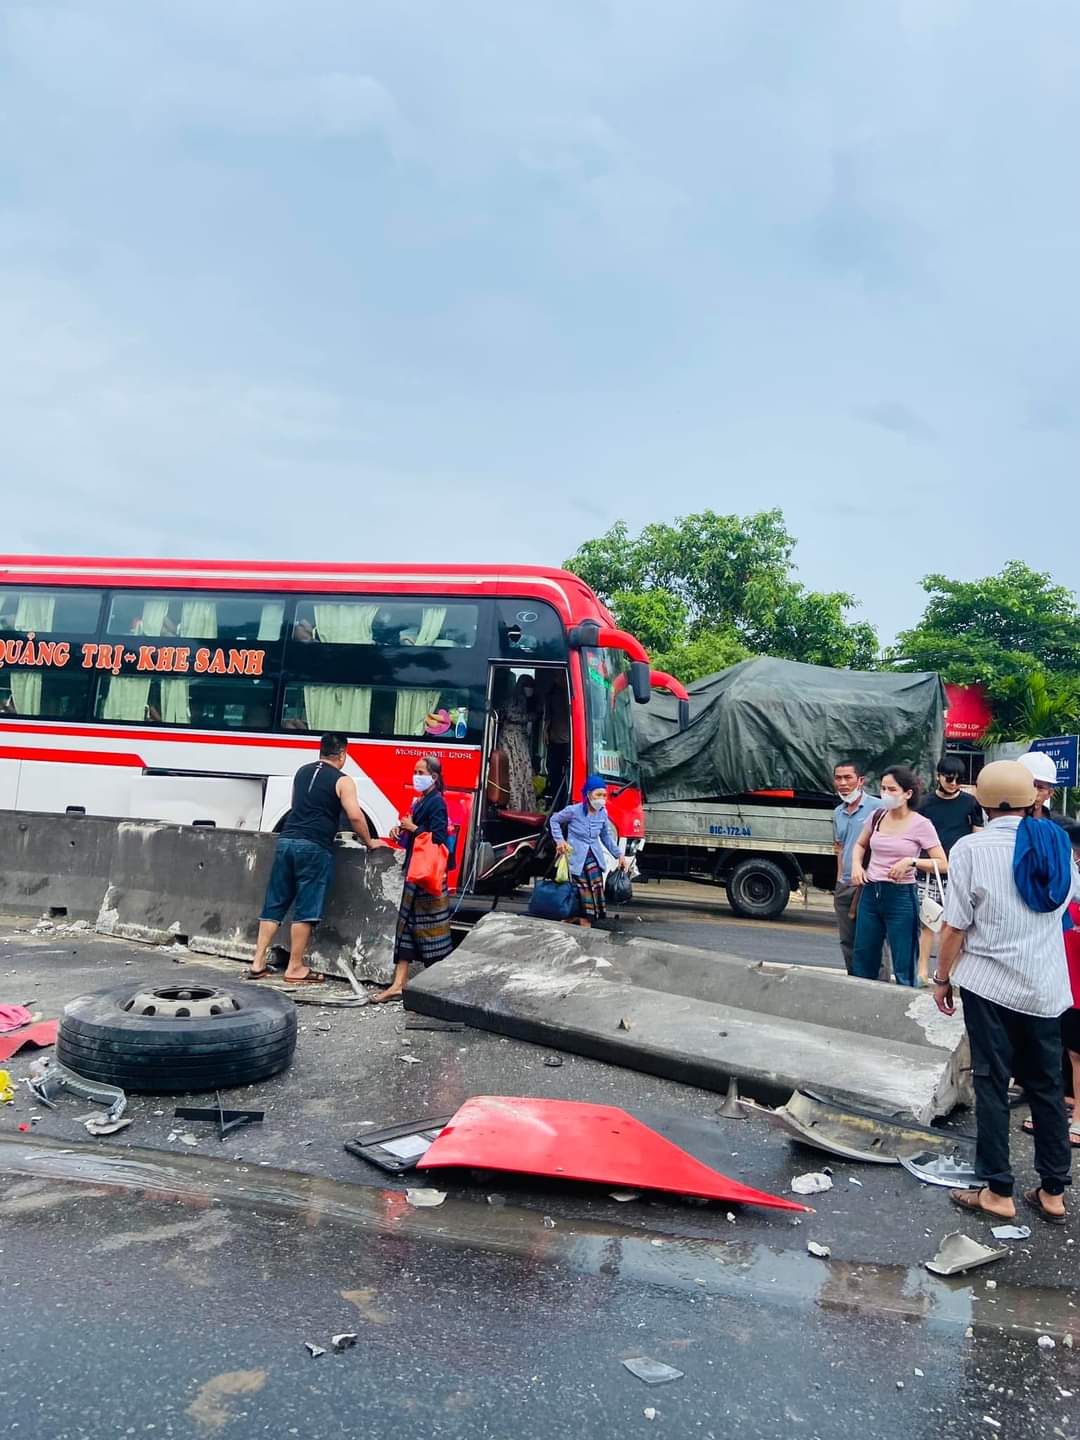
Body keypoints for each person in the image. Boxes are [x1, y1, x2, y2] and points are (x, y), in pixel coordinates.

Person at [934, 760, 1078, 1223]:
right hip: (1045, 987)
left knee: (992, 1084)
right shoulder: (1055, 843)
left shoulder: (971, 848)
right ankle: (1053, 1191)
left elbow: (955, 926)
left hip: (989, 985)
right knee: (1047, 1086)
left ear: (983, 801)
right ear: (1027, 797)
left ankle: (998, 1190)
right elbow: (1068, 899)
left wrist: (942, 978)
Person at [248, 733, 386, 984]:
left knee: (275, 903)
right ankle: (295, 967)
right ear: (342, 754)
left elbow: (295, 805)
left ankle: (257, 962)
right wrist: (369, 841)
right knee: (306, 909)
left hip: (287, 841)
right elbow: (355, 816)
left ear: (320, 751)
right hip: (313, 847)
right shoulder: (344, 781)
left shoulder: (301, 772)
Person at [850, 765, 948, 988]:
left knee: (904, 964)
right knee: (864, 958)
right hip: (871, 892)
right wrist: (857, 865)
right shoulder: (877, 816)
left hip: (901, 896)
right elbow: (860, 844)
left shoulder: (921, 824)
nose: (885, 794)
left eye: (892, 789)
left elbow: (943, 864)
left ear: (908, 793)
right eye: (883, 788)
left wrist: (911, 862)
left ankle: (904, 1011)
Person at [371, 755, 453, 1002]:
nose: (416, 776)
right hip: (417, 870)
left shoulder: (436, 802)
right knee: (406, 927)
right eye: (415, 771)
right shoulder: (422, 801)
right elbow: (415, 834)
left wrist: (413, 828)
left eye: (420, 772)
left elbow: (438, 838)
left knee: (431, 931)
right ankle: (399, 983)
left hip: (426, 875)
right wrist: (401, 830)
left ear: (434, 777)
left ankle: (438, 986)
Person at [915, 756, 984, 985]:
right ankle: (922, 970)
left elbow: (977, 833)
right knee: (928, 921)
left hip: (959, 870)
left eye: (957, 779)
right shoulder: (925, 803)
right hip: (930, 869)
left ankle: (951, 972)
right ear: (938, 776)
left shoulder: (970, 803)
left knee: (955, 923)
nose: (953, 783)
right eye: (949, 778)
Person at [550, 776, 629, 928]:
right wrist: (560, 841)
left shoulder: (603, 814)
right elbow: (554, 820)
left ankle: (579, 918)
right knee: (580, 890)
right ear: (588, 794)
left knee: (595, 888)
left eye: (604, 795)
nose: (601, 799)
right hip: (576, 857)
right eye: (598, 795)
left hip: (594, 858)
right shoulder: (573, 811)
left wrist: (619, 855)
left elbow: (606, 836)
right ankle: (582, 919)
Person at [831, 761, 882, 974]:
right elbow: (839, 849)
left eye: (848, 778)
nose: (843, 783)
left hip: (869, 885)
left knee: (873, 940)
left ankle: (880, 987)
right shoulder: (838, 813)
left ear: (861, 780)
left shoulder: (877, 808)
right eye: (838, 778)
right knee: (847, 941)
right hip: (845, 885)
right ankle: (855, 983)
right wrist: (839, 881)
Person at [498, 675, 538, 810]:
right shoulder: (514, 699)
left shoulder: (524, 700)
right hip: (511, 739)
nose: (530, 690)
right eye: (529, 686)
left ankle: (523, 804)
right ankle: (516, 805)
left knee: (521, 770)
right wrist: (529, 717)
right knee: (514, 771)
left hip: (519, 738)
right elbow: (510, 715)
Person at [1018, 750, 1058, 820]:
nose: (1034, 793)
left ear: (1050, 793)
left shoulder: (1063, 828)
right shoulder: (998, 825)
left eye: (1040, 788)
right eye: (1030, 786)